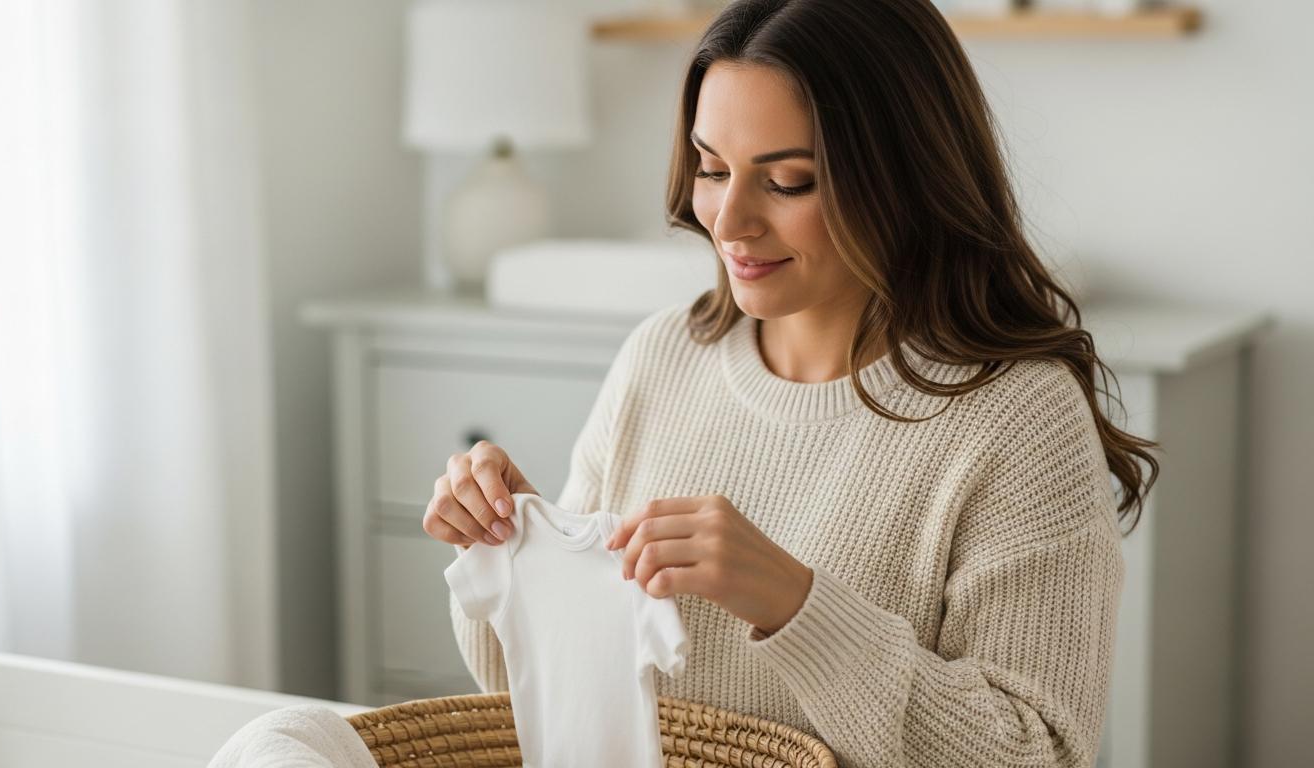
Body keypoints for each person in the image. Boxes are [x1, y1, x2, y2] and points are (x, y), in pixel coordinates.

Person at [422, 1, 1159, 765]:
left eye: (788, 181)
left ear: (905, 177)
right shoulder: (662, 356)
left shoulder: (1019, 417)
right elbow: (541, 696)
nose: (730, 220)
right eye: (711, 169)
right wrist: (513, 549)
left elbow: (1033, 752)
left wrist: (797, 606)